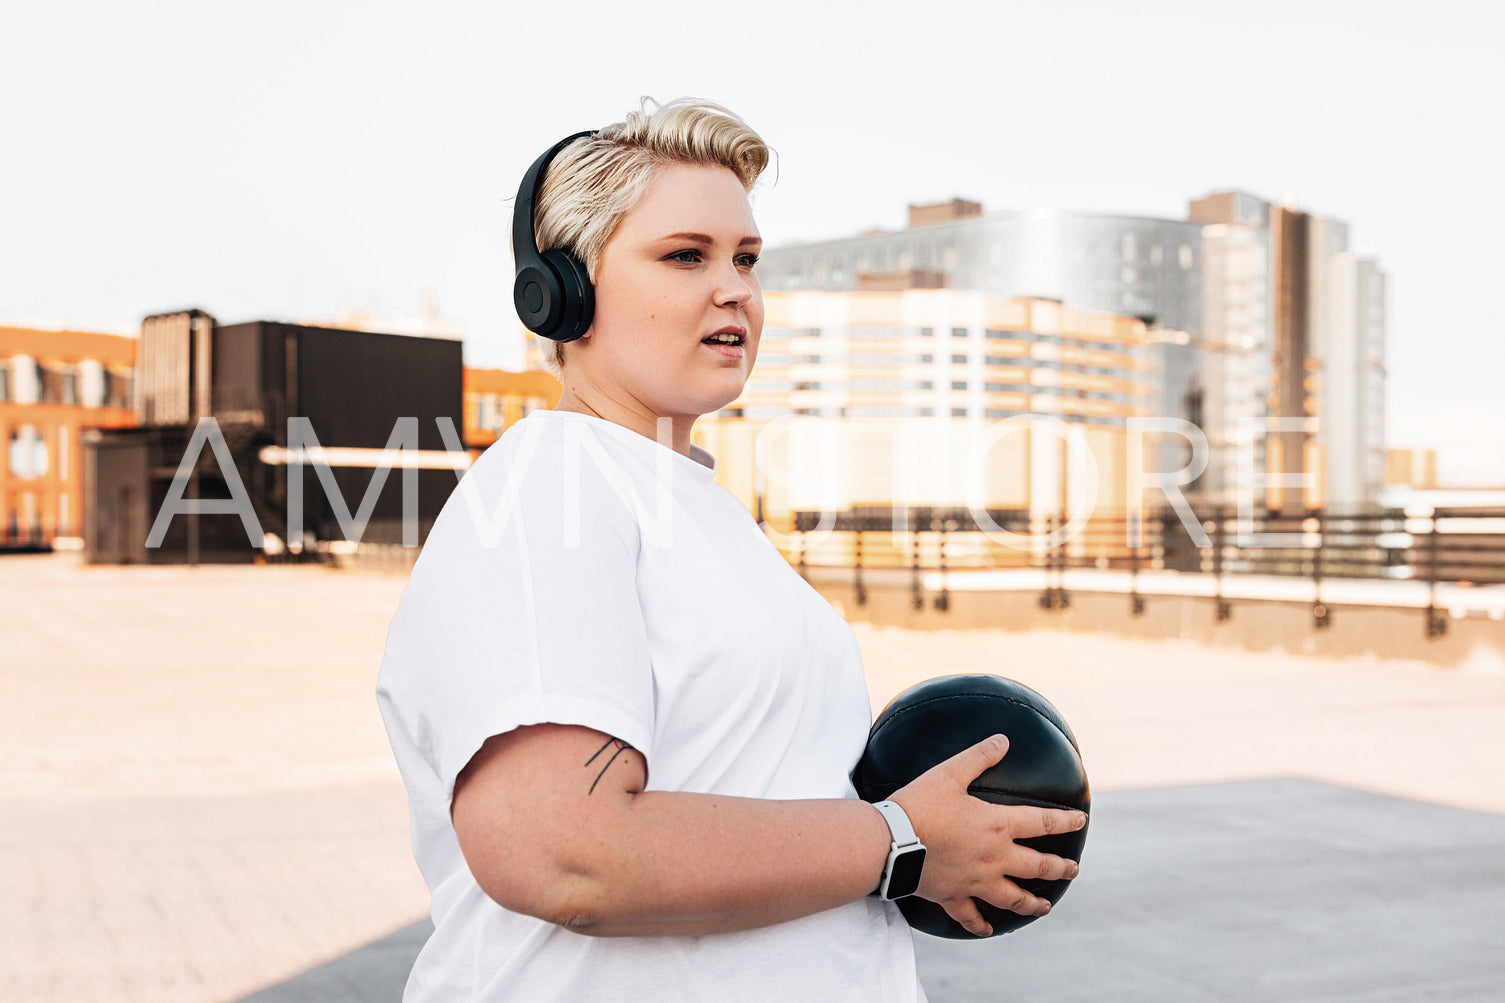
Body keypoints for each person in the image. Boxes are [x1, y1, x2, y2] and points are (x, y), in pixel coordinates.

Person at [376, 97, 1086, 1002]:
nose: (735, 289)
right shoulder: (550, 484)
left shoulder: (691, 503)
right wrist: (902, 842)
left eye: (747, 259)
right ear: (563, 291)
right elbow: (563, 854)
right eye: (685, 255)